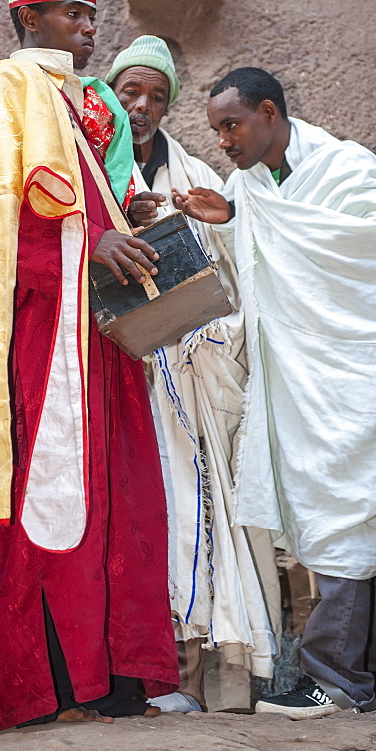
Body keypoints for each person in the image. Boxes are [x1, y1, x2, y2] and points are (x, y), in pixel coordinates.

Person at [0, 0, 179, 735]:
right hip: (28, 345)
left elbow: (83, 214)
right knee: (42, 491)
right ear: (29, 19)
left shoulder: (78, 105)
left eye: (91, 16)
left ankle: (107, 679)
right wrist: (87, 249)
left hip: (91, 343)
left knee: (110, 498)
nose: (88, 30)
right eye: (71, 15)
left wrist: (124, 228)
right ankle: (42, 676)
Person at [172, 66, 376, 719]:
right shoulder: (246, 187)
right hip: (296, 379)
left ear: (267, 112)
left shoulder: (349, 171)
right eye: (216, 131)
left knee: (347, 507)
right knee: (337, 515)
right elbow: (250, 271)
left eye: (231, 125)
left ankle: (336, 679)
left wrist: (256, 224)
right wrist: (229, 220)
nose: (224, 141)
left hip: (357, 373)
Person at [105, 39, 282, 713]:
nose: (142, 107)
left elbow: (234, 278)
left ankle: (193, 678)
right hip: (118, 379)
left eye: (155, 96)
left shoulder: (191, 175)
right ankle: (135, 680)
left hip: (187, 377)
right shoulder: (89, 172)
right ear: (109, 97)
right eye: (130, 93)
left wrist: (206, 328)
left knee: (194, 515)